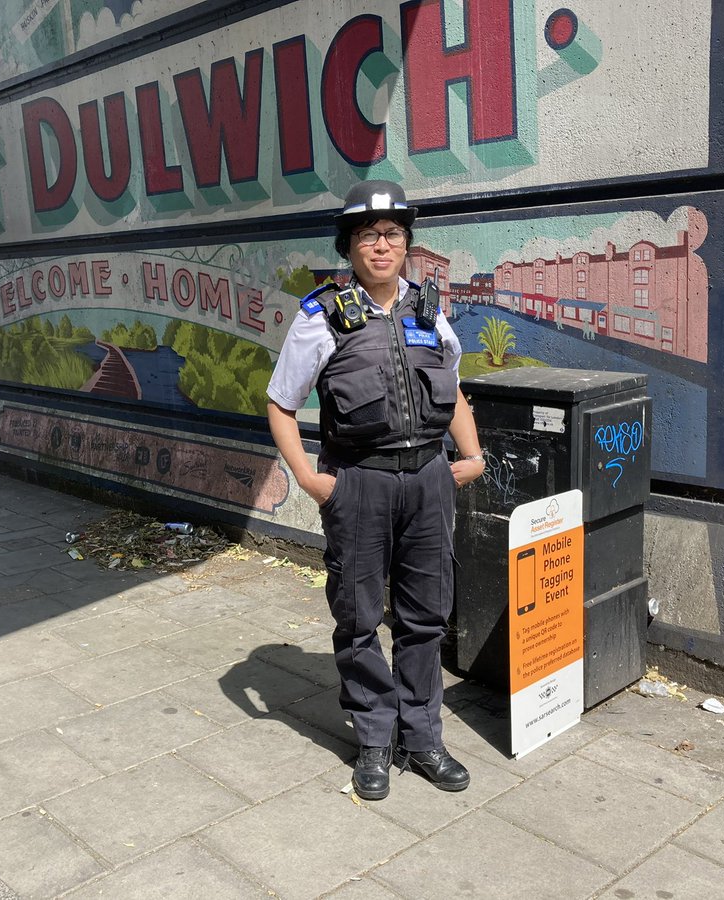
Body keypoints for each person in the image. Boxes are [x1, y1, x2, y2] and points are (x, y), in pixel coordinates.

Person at [266, 180, 485, 800]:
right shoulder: (322, 316)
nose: (381, 245)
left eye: (391, 234)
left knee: (425, 615)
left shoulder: (429, 310)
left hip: (427, 480)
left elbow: (454, 388)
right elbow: (281, 405)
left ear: (407, 243)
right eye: (367, 235)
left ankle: (422, 738)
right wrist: (309, 479)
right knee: (359, 617)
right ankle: (372, 739)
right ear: (350, 247)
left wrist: (470, 455)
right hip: (358, 482)